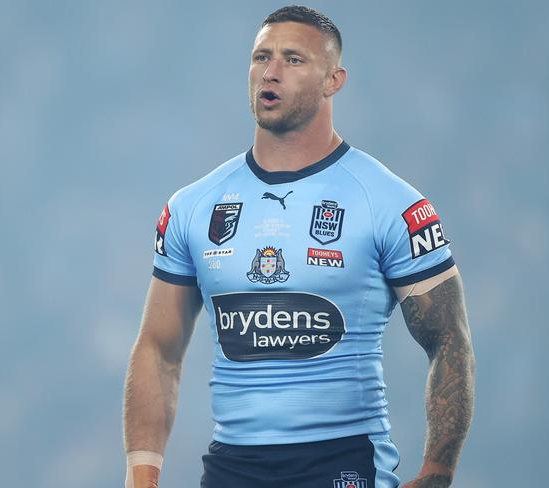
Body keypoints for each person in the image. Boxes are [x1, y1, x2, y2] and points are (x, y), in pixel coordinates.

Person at [123, 5, 475, 488]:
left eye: (293, 59)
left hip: (341, 462)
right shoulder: (193, 206)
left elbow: (449, 338)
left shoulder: (390, 202)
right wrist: (142, 478)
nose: (270, 72)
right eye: (261, 56)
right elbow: (159, 349)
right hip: (232, 467)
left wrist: (438, 471)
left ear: (334, 80)